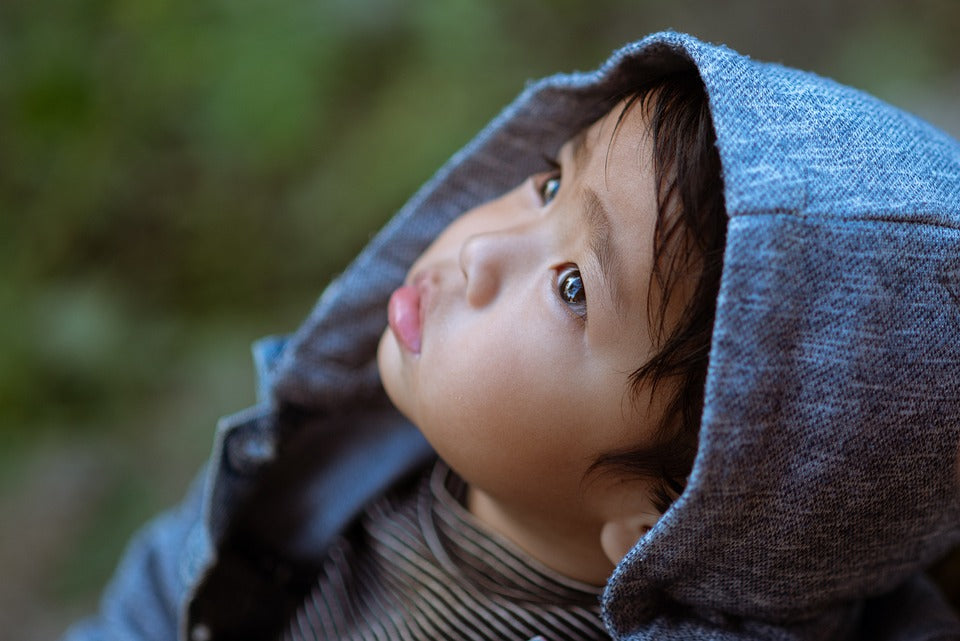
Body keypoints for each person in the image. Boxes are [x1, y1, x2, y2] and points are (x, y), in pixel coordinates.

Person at [62, 31, 960, 641]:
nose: (479, 248)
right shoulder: (344, 463)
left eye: (572, 287)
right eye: (546, 186)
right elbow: (150, 606)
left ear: (658, 525)